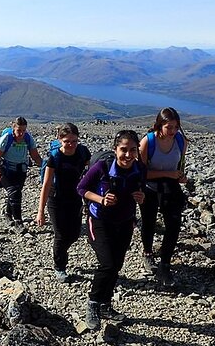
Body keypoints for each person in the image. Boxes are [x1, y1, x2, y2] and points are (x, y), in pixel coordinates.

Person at [77, 129, 146, 330]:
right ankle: (93, 304)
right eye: (123, 150)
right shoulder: (102, 167)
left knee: (116, 265)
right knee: (107, 263)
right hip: (99, 220)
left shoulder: (139, 169)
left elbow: (141, 191)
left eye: (132, 150)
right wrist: (101, 199)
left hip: (125, 222)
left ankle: (106, 305)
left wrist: (142, 197)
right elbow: (81, 188)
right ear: (115, 149)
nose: (128, 155)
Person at [138, 107, 188, 287]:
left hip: (171, 188)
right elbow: (141, 173)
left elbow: (180, 166)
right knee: (149, 222)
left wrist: (181, 176)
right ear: (159, 126)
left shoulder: (181, 141)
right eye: (169, 127)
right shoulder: (148, 142)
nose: (173, 131)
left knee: (174, 226)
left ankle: (165, 264)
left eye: (176, 127)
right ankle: (147, 253)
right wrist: (168, 174)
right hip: (150, 189)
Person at [36, 123, 91, 283]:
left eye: (74, 141)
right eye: (67, 141)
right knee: (61, 235)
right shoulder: (55, 157)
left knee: (74, 234)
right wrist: (40, 212)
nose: (71, 145)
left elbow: (90, 172)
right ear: (60, 139)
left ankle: (59, 252)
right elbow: (46, 184)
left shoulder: (82, 152)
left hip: (75, 198)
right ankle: (60, 266)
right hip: (56, 199)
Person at [0, 117, 42, 227]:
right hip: (6, 171)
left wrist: (46, 167)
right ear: (13, 129)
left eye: (24, 130)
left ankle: (8, 214)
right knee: (15, 193)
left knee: (15, 193)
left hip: (21, 171)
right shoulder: (7, 138)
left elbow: (35, 156)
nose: (21, 133)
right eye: (19, 130)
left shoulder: (28, 139)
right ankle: (18, 221)